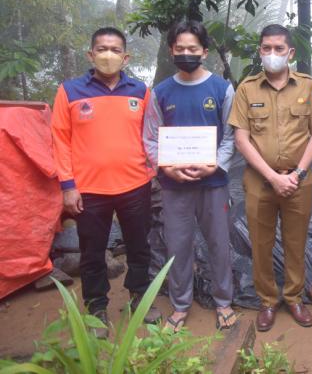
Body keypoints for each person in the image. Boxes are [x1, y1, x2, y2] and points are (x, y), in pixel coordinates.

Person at [51, 27, 160, 337]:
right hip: (88, 190)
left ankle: (140, 297)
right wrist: (67, 186)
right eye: (101, 49)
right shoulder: (69, 91)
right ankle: (96, 306)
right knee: (92, 252)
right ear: (91, 54)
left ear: (125, 57)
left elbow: (151, 135)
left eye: (114, 50)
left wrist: (153, 172)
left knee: (139, 247)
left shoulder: (140, 91)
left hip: (136, 185)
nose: (107, 55)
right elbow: (59, 140)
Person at [229, 24, 312, 332]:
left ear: (290, 52)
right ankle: (268, 302)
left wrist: (297, 173)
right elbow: (241, 139)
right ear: (260, 51)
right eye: (266, 48)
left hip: (299, 181)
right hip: (260, 182)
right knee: (260, 244)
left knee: (295, 242)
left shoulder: (307, 87)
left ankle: (295, 297)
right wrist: (272, 176)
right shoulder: (247, 89)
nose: (272, 54)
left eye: (278, 48)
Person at [143, 20, 237, 332]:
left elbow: (231, 137)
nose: (186, 53)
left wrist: (216, 165)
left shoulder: (222, 89)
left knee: (219, 244)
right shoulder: (160, 92)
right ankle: (180, 305)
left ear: (205, 52)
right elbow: (151, 138)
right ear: (171, 51)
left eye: (192, 49)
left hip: (213, 183)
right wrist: (165, 166)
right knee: (177, 246)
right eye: (180, 48)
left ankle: (224, 301)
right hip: (174, 186)